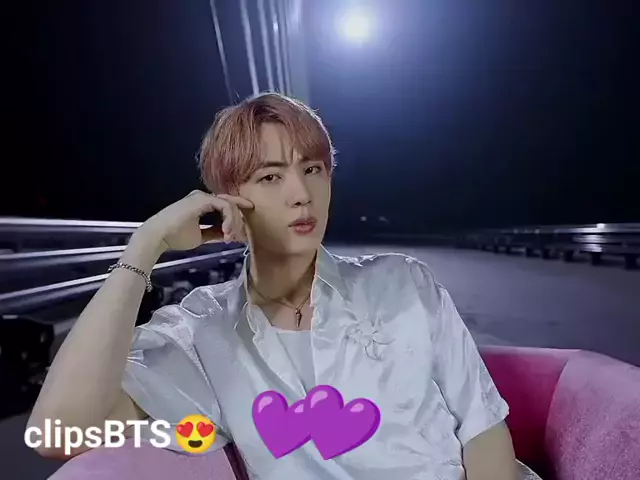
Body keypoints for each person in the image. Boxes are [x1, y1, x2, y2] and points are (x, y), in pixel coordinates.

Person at [29, 92, 541, 479]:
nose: (302, 194)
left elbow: (482, 428)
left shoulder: (402, 283)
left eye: (312, 169)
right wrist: (144, 247)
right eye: (270, 177)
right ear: (228, 199)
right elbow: (60, 433)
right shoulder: (202, 331)